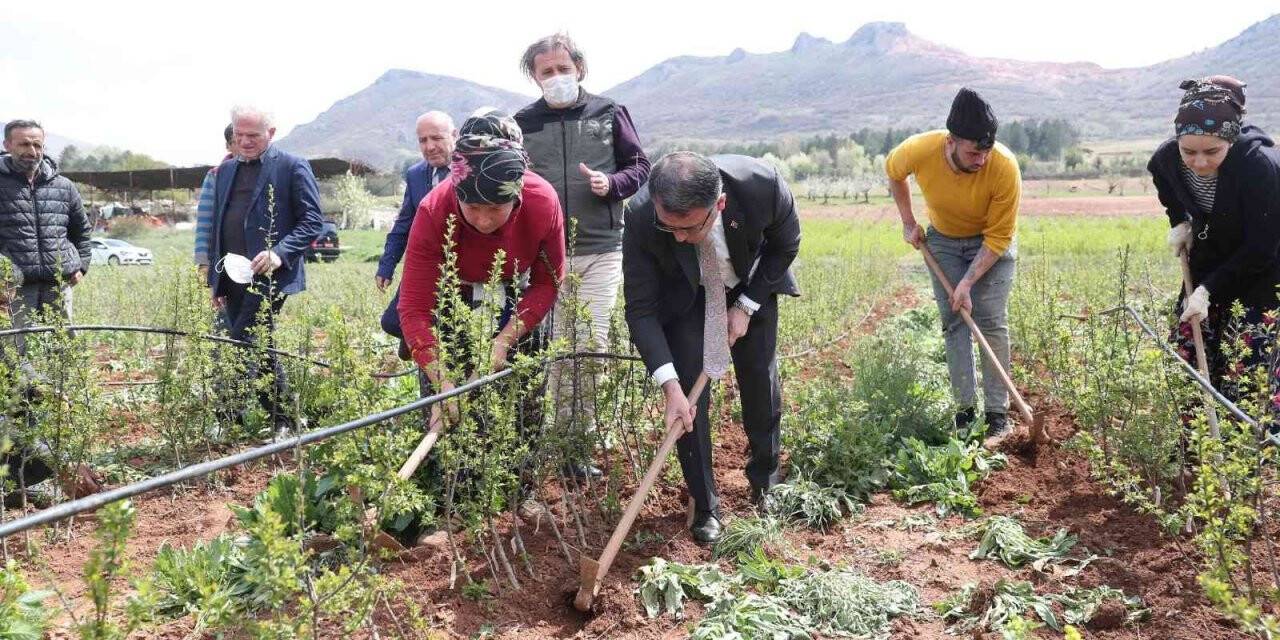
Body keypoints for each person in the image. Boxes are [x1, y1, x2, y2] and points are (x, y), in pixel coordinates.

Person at [623, 151, 801, 544]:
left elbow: (786, 244)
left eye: (688, 228)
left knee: (758, 375)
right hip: (688, 295)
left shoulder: (761, 185)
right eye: (669, 228)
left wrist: (747, 305)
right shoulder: (639, 216)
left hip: (749, 284)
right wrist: (668, 386)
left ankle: (765, 481)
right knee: (689, 394)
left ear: (718, 205)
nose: (680, 238)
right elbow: (640, 309)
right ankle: (706, 506)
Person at [515, 34, 651, 479]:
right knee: (552, 347)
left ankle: (581, 441)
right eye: (546, 72)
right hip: (544, 257)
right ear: (534, 78)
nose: (556, 78)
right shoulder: (522, 124)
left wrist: (612, 185)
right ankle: (551, 437)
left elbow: (639, 167)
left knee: (590, 344)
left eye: (562, 68)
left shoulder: (609, 113)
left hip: (601, 248)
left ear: (579, 68)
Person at [886, 88, 1022, 437]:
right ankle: (964, 412)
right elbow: (894, 172)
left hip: (990, 244)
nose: (981, 160)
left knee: (989, 321)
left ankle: (997, 416)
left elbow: (998, 238)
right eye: (973, 152)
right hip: (944, 241)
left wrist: (967, 282)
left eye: (986, 152)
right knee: (954, 321)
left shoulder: (1004, 167)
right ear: (951, 142)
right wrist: (907, 221)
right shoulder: (920, 149)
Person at [1150, 77, 1280, 409]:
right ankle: (1193, 453)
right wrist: (1179, 220)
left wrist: (1208, 291)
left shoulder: (1260, 167)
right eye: (1188, 151)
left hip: (1261, 274)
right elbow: (1165, 180)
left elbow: (1262, 248)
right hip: (1208, 260)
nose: (1200, 162)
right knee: (1189, 361)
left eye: (1212, 151)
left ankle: (1247, 456)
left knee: (1247, 373)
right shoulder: (1167, 158)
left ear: (1231, 139)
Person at [207, 106, 324, 436]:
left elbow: (313, 220)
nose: (244, 141)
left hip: (270, 275)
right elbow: (219, 225)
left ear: (271, 133)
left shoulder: (291, 166)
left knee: (245, 339)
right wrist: (215, 281)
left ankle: (229, 415)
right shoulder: (226, 171)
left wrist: (280, 253)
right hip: (232, 273)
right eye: (239, 134)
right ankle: (285, 418)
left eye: (253, 136)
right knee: (259, 343)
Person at [377, 111, 457, 358]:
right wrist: (386, 265)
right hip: (424, 264)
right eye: (423, 140)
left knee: (451, 335)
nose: (430, 146)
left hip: (462, 268)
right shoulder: (416, 174)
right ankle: (415, 345)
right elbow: (404, 223)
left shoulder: (472, 170)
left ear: (454, 136)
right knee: (392, 322)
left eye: (436, 138)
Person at [195, 124, 235, 283]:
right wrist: (203, 262)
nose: (244, 143)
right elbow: (204, 222)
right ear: (228, 146)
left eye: (250, 136)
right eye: (236, 141)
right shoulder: (215, 176)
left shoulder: (266, 172)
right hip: (224, 260)